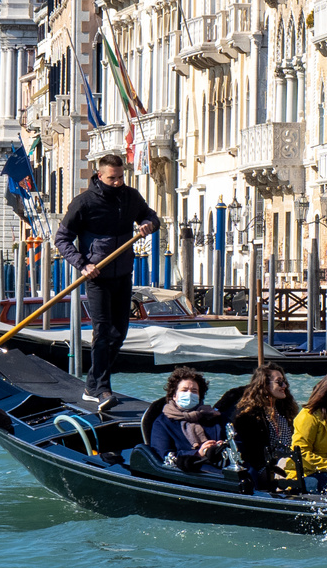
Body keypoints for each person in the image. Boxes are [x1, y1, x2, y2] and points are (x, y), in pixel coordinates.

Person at [52, 153, 159, 409]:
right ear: (100, 176)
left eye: (121, 177)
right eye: (112, 178)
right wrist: (82, 264)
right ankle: (100, 388)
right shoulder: (84, 203)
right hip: (97, 277)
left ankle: (93, 384)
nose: (118, 182)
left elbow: (152, 217)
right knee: (103, 333)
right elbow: (62, 239)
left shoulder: (131, 196)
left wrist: (147, 225)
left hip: (123, 274)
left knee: (119, 333)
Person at [217, 364, 299, 488]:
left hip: (289, 461)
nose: (284, 386)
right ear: (264, 385)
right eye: (279, 382)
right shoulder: (249, 416)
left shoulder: (285, 411)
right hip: (263, 468)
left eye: (284, 382)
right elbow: (249, 454)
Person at [148, 366, 225, 471]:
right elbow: (163, 454)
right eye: (184, 390)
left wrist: (221, 446)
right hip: (191, 469)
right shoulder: (162, 423)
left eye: (194, 391)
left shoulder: (213, 417)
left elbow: (230, 440)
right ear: (174, 395)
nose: (189, 394)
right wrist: (199, 453)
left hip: (221, 464)